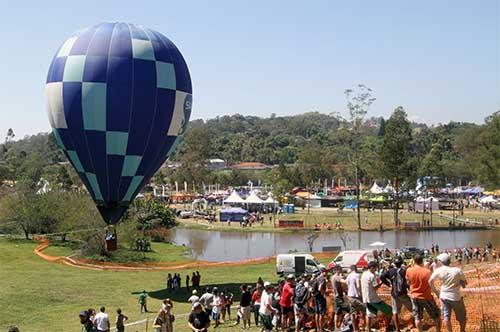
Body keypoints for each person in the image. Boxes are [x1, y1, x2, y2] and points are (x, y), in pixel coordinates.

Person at [429, 253, 467, 332]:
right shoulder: (457, 270)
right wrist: (460, 282)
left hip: (444, 296)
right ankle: (462, 330)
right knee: (461, 317)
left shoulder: (438, 270)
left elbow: (430, 281)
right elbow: (464, 284)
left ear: (441, 262)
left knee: (446, 317)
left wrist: (436, 292)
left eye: (439, 260)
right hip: (456, 297)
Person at [406, 254, 441, 332]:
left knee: (417, 317)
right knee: (436, 315)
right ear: (422, 261)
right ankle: (438, 330)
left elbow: (408, 282)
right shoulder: (427, 272)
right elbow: (431, 284)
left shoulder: (409, 270)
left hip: (414, 296)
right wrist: (437, 294)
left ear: (414, 261)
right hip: (426, 296)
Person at [380, 256, 412, 331]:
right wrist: (408, 288)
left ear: (394, 263)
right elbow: (407, 282)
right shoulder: (404, 271)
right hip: (403, 294)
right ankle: (415, 324)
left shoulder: (390, 271)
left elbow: (382, 276)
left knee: (395, 312)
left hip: (394, 294)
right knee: (413, 309)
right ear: (401, 263)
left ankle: (397, 329)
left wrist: (388, 284)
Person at [361, 261, 392, 331]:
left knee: (369, 314)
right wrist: (381, 283)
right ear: (372, 267)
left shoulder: (364, 274)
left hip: (366, 298)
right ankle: (387, 327)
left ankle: (368, 329)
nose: (376, 269)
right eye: (375, 268)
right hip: (373, 299)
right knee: (389, 310)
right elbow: (375, 287)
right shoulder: (371, 276)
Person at [346, 265, 365, 332]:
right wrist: (360, 294)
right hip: (356, 296)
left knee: (353, 313)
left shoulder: (348, 276)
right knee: (363, 311)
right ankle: (363, 327)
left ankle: (355, 329)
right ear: (356, 269)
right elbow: (358, 285)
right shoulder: (357, 275)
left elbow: (346, 284)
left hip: (350, 296)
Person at [331, 265, 351, 329]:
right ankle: (344, 324)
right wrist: (349, 277)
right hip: (339, 297)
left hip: (335, 297)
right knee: (350, 310)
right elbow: (344, 282)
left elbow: (339, 285)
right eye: (340, 269)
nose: (341, 270)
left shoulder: (332, 277)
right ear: (338, 270)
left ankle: (336, 327)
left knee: (337, 313)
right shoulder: (337, 277)